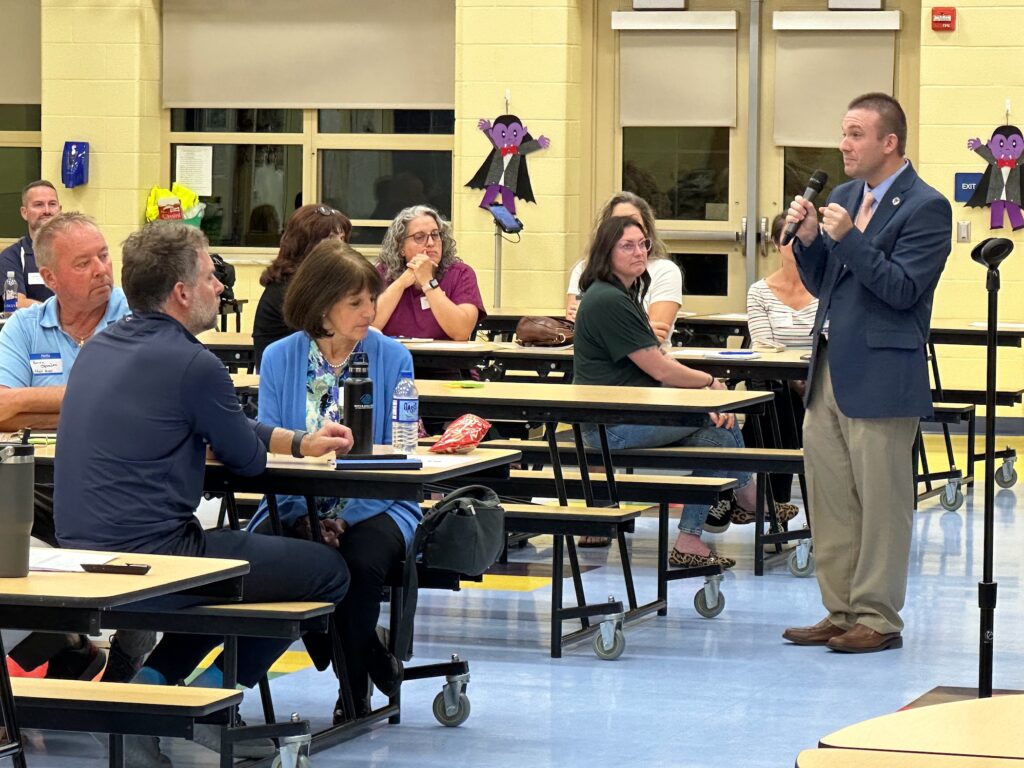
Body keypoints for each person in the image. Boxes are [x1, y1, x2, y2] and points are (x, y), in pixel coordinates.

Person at [53, 221, 352, 765]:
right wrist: (252, 441)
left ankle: (149, 688)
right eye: (211, 274)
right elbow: (246, 458)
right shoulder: (195, 362)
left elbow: (228, 424)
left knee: (230, 573)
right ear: (182, 292)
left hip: (79, 549)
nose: (221, 286)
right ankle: (206, 700)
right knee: (326, 571)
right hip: (156, 558)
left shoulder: (99, 347)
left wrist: (301, 440)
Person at [782, 93, 952, 653]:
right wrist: (809, 242)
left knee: (881, 502)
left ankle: (878, 619)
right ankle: (839, 610)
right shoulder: (845, 195)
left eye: (856, 134)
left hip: (883, 368)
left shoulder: (926, 207)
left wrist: (847, 239)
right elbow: (825, 282)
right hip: (829, 364)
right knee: (829, 497)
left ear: (889, 142)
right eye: (843, 132)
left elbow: (902, 289)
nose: (844, 144)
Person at [257, 239, 419, 720]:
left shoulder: (393, 358)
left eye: (372, 298)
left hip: (379, 503)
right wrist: (305, 517)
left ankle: (353, 695)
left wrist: (344, 519)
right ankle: (368, 650)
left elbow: (397, 457)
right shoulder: (280, 358)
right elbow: (270, 445)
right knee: (274, 554)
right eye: (357, 302)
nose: (370, 310)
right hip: (292, 502)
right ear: (322, 307)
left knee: (360, 562)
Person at [573, 215, 762, 569]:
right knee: (720, 417)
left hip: (624, 416)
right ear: (606, 252)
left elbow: (657, 360)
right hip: (611, 426)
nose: (639, 252)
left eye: (642, 243)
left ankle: (694, 536)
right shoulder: (607, 299)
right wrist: (709, 384)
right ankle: (747, 498)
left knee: (719, 435)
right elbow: (658, 367)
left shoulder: (620, 293)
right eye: (627, 245)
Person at [740, 213, 818, 518]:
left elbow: (830, 342)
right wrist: (794, 380)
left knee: (779, 401)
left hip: (820, 381)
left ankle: (766, 500)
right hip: (779, 382)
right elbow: (763, 346)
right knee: (777, 394)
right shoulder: (759, 292)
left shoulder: (828, 288)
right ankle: (774, 504)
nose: (796, 245)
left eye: (804, 238)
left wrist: (807, 381)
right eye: (789, 238)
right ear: (776, 244)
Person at [566, 191, 682, 344]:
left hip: (650, 363)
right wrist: (637, 329)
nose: (627, 229)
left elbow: (655, 338)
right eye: (618, 223)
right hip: (597, 364)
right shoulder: (584, 269)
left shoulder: (665, 271)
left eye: (634, 223)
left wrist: (597, 323)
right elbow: (576, 329)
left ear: (646, 230)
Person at [252, 204, 352, 368]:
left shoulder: (320, 282)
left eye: (342, 238)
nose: (341, 246)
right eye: (331, 239)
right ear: (305, 244)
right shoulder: (292, 289)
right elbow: (331, 339)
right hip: (288, 379)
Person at [372, 204, 486, 342]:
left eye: (435, 235)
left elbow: (461, 332)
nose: (431, 243)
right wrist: (401, 283)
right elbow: (368, 327)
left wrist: (428, 282)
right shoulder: (382, 273)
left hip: (446, 360)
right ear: (400, 246)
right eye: (419, 237)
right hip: (393, 359)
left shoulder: (461, 273)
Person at [0, 180, 60, 308]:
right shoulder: (11, 256)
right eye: (39, 205)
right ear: (24, 212)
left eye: (52, 204)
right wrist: (60, 313)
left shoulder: (75, 252)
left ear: (59, 210)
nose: (47, 210)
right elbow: (14, 302)